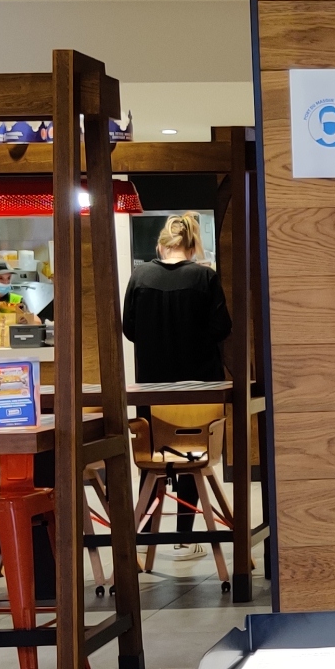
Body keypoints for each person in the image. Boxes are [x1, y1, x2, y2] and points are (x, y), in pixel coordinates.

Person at [122, 213, 232, 560]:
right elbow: (222, 327)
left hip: (152, 390)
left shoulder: (140, 277)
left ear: (161, 245)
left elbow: (129, 329)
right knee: (192, 454)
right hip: (199, 389)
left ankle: (143, 536)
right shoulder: (205, 277)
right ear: (193, 245)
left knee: (153, 458)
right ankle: (184, 535)